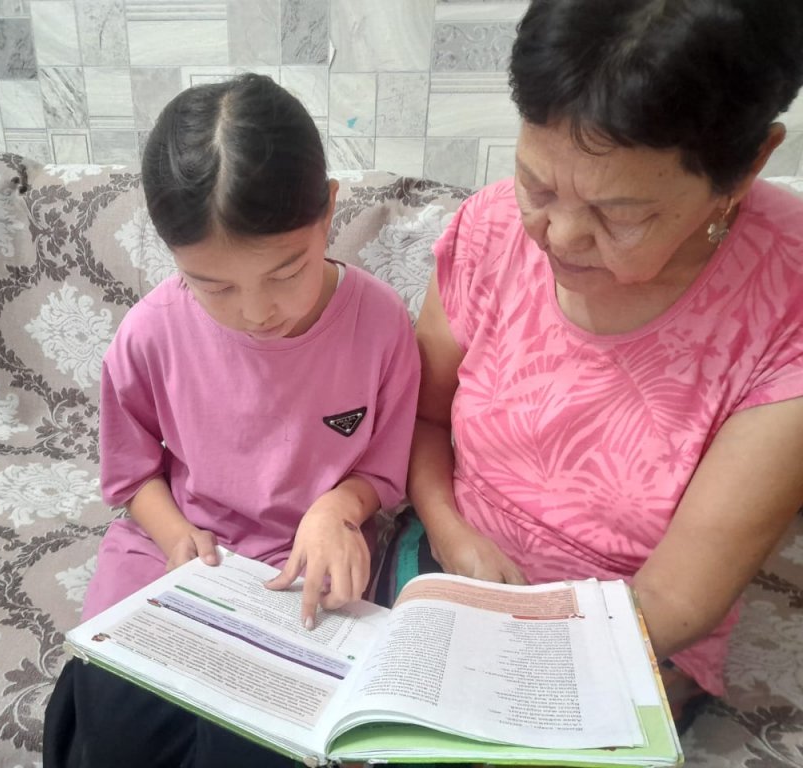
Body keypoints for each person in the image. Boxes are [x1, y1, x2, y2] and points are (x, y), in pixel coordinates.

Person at [403, 0, 803, 735]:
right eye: (537, 185)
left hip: (629, 633)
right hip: (451, 564)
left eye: (620, 215)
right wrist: (451, 532)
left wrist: (510, 665)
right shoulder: (491, 230)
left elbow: (678, 597)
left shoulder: (788, 303)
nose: (557, 236)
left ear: (747, 166)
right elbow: (422, 418)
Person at [43, 73, 420, 768]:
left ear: (329, 211)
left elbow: (384, 472)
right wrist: (176, 537)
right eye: (212, 286)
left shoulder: (381, 324)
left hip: (303, 571)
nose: (255, 312)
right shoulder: (151, 332)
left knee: (255, 747)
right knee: (112, 731)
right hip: (175, 560)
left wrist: (338, 508)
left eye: (286, 272)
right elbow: (131, 476)